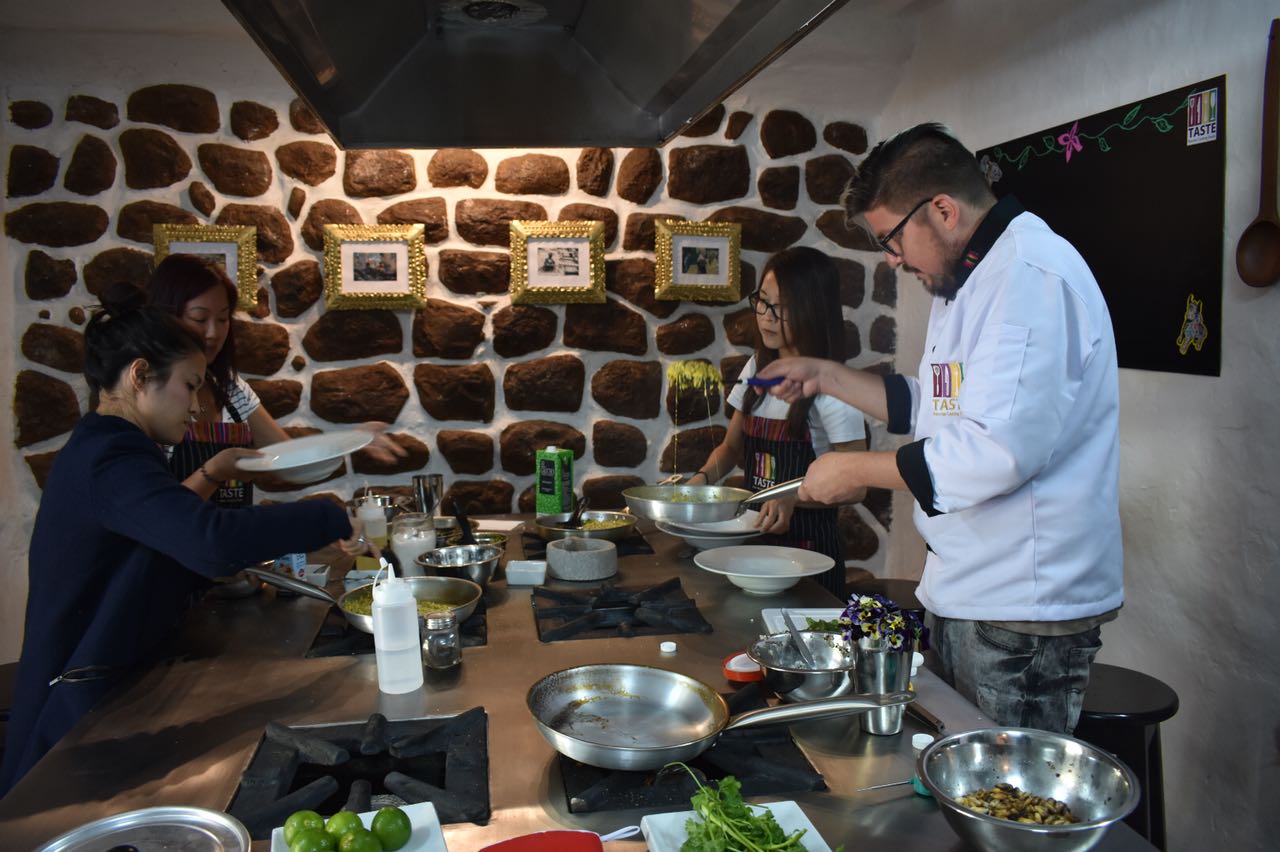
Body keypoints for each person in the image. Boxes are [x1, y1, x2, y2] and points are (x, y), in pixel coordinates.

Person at [756, 123, 1123, 734]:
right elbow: (938, 405)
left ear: (943, 210)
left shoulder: (1029, 277)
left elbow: (994, 452)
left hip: (1020, 608)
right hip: (969, 588)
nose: (893, 261)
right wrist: (825, 375)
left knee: (1003, 807)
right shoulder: (970, 279)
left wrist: (853, 469)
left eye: (891, 241)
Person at [0, 286, 372, 794]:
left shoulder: (111, 447)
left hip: (97, 692)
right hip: (70, 718)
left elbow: (166, 547)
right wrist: (326, 515)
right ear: (138, 376)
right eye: (189, 385)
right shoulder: (110, 458)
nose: (198, 406)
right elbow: (209, 541)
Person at [145, 254, 405, 507]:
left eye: (223, 319)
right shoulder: (147, 398)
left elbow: (286, 460)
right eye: (200, 319)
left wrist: (351, 441)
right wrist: (214, 472)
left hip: (229, 545)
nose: (213, 332)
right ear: (167, 317)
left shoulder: (230, 388)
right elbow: (159, 515)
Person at [690, 246, 868, 600]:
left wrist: (792, 499)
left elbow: (856, 485)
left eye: (781, 308)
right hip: (754, 547)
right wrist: (701, 482)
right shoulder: (757, 367)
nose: (766, 317)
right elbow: (730, 448)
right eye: (762, 301)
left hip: (810, 555)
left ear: (812, 309)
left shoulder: (833, 386)